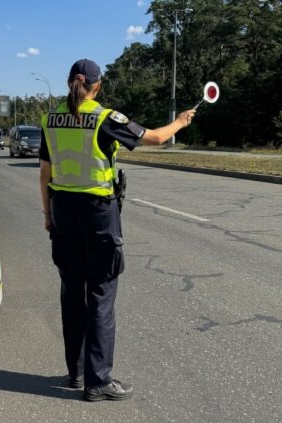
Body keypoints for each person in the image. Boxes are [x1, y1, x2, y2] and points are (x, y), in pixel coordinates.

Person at [39, 59, 195, 402]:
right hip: (97, 214)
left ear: (69, 83)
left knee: (71, 293)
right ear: (98, 85)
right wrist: (181, 122)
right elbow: (154, 138)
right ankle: (99, 381)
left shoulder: (50, 119)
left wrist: (48, 214)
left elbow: (44, 174)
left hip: (63, 212)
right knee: (101, 296)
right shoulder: (105, 118)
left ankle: (77, 372)